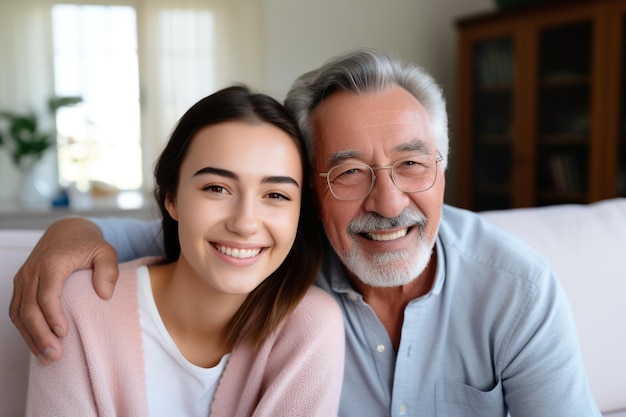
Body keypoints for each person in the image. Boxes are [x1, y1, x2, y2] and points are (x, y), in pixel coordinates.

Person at [11, 49, 600, 416]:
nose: (389, 201)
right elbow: (176, 238)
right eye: (348, 172)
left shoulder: (516, 288)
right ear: (312, 195)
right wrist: (67, 232)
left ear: (444, 169)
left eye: (413, 164)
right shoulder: (277, 254)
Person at [23, 85, 344, 417]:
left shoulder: (310, 326)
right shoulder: (81, 309)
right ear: (172, 198)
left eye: (276, 195)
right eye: (217, 188)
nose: (245, 223)